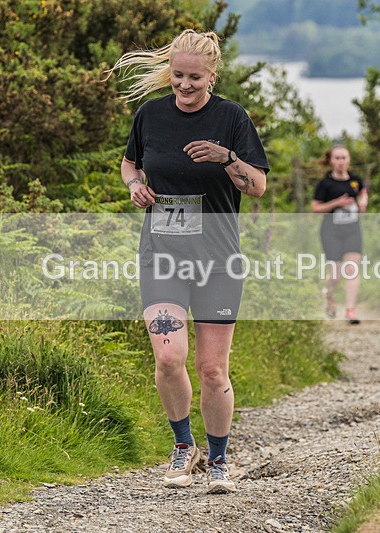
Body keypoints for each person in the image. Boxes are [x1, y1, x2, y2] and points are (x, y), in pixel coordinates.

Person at [109, 29, 269, 493]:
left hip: (218, 262)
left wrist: (227, 158)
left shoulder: (231, 118)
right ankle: (184, 446)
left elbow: (256, 186)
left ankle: (218, 458)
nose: (183, 85)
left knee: (212, 369)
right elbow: (129, 163)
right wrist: (134, 184)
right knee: (167, 357)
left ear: (212, 76)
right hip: (161, 257)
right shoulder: (150, 115)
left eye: (194, 78)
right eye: (177, 76)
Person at [311, 145, 368, 324]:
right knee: (336, 275)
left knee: (352, 269)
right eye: (337, 158)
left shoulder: (355, 180)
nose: (341, 161)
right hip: (331, 232)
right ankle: (329, 296)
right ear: (331, 161)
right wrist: (336, 203)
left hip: (352, 230)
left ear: (348, 160)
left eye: (344, 158)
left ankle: (350, 311)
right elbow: (316, 208)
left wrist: (362, 203)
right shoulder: (325, 184)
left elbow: (362, 193)